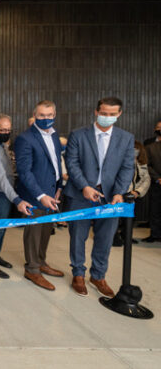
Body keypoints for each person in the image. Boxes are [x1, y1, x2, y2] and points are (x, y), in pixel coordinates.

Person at [64, 97, 134, 297]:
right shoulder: (78, 135)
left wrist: (120, 192)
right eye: (104, 113)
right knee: (78, 236)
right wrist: (85, 186)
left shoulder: (126, 138)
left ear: (119, 114)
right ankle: (78, 274)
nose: (107, 117)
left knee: (105, 238)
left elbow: (127, 167)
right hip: (80, 195)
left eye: (112, 114)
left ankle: (98, 275)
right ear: (96, 112)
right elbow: (72, 163)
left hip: (111, 197)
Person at [15, 100, 64, 291]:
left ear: (54, 115)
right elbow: (24, 171)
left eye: (49, 115)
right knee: (33, 233)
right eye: (42, 115)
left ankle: (42, 262)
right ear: (35, 115)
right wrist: (40, 195)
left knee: (46, 230)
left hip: (53, 192)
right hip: (35, 195)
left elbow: (56, 163)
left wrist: (60, 186)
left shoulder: (54, 135)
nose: (46, 119)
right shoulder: (25, 139)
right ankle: (33, 269)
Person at [0, 114, 32, 279]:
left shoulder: (2, 145)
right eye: (2, 130)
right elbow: (0, 177)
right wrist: (16, 199)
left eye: (8, 130)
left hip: (5, 194)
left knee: (2, 229)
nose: (6, 133)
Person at [113, 141, 150, 247]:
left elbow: (146, 179)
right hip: (120, 193)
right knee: (115, 217)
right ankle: (114, 237)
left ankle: (126, 236)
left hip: (134, 195)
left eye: (136, 150)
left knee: (130, 217)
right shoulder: (119, 162)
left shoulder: (141, 163)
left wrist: (138, 191)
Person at [145, 128, 161, 242]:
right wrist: (157, 178)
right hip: (157, 184)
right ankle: (155, 234)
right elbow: (146, 165)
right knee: (155, 210)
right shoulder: (151, 148)